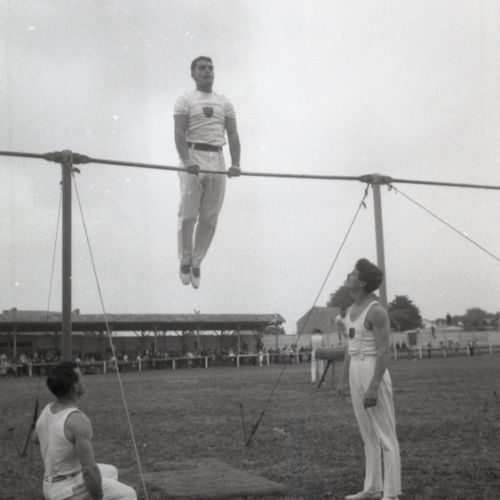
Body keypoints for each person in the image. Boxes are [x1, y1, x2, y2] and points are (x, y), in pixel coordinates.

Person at [174, 55, 241, 289]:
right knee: (188, 215)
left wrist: (236, 163)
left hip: (217, 159)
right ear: (193, 74)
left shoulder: (224, 102)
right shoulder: (186, 99)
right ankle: (185, 258)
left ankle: (197, 261)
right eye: (202, 68)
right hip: (193, 156)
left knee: (210, 218)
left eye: (210, 68)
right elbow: (179, 132)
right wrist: (186, 160)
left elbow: (233, 134)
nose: (207, 72)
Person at [337, 259, 401, 500]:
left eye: (354, 273)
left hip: (373, 369)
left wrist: (374, 386)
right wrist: (343, 379)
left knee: (386, 435)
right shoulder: (349, 312)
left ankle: (391, 494)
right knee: (367, 434)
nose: (349, 275)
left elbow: (384, 352)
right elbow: (350, 348)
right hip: (355, 370)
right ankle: (372, 488)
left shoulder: (376, 311)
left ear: (363, 282)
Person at [34, 361, 137, 500]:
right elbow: (89, 470)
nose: (84, 380)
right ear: (75, 387)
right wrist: (98, 497)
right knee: (129, 494)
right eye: (81, 377)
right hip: (65, 490)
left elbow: (36, 439)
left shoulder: (47, 409)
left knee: (111, 471)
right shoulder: (77, 420)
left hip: (50, 483)